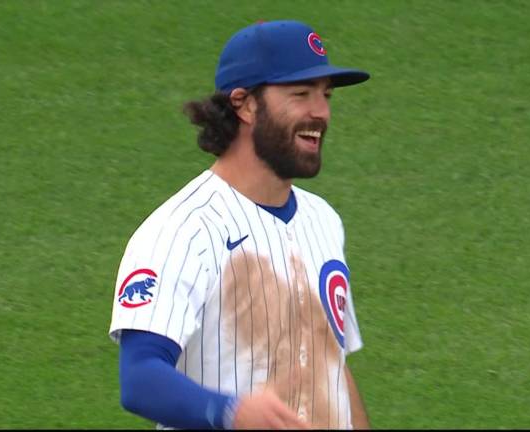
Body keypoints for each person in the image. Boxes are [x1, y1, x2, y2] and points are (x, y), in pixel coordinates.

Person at [108, 19, 371, 430]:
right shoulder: (183, 231)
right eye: (300, 94)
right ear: (244, 104)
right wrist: (232, 412)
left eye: (326, 95)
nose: (321, 112)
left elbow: (331, 361)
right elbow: (140, 378)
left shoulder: (323, 220)